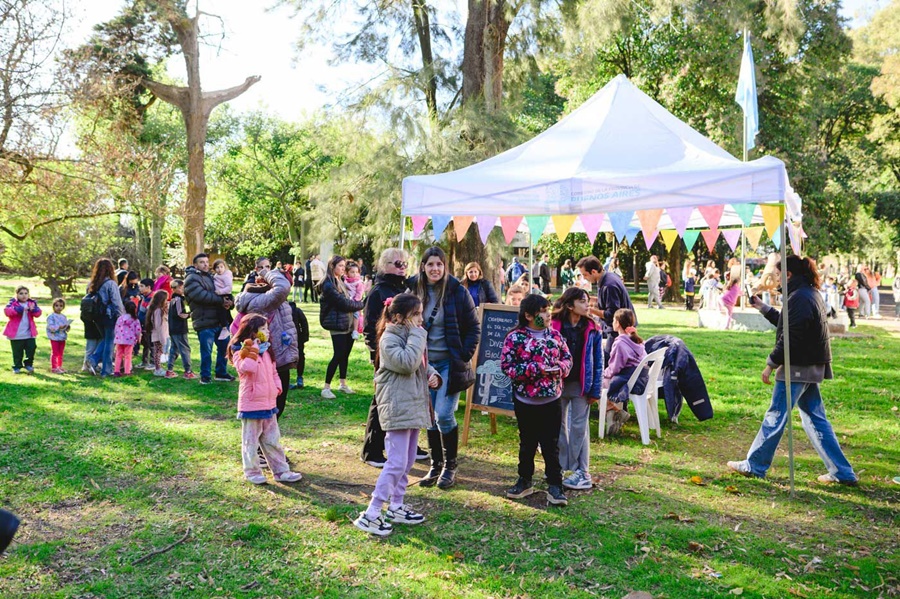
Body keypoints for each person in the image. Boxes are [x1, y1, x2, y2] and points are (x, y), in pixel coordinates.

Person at [728, 255, 858, 485]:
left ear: (789, 275)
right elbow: (787, 323)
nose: (776, 280)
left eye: (779, 275)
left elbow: (791, 336)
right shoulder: (807, 293)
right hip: (809, 364)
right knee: (815, 418)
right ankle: (842, 472)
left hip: (799, 365)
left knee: (776, 415)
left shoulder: (799, 297)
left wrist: (770, 363)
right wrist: (762, 307)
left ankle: (755, 465)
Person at [353, 293, 441, 536]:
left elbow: (420, 363)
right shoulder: (389, 339)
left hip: (411, 404)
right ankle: (371, 512)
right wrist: (418, 334)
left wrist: (432, 374)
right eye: (416, 315)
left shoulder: (409, 335)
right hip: (398, 406)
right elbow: (407, 363)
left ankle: (396, 505)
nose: (421, 320)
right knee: (396, 462)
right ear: (399, 317)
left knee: (409, 458)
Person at [411, 246, 480, 490]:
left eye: (439, 264)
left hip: (450, 363)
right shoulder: (414, 289)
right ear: (423, 266)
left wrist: (463, 355)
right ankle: (435, 463)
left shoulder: (457, 292)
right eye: (430, 264)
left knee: (443, 413)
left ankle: (451, 464)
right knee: (429, 415)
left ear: (445, 266)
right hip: (423, 364)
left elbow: (474, 328)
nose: (435, 269)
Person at [500, 293, 573, 506]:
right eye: (543, 311)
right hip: (525, 401)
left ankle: (555, 485)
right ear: (529, 315)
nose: (548, 314)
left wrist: (559, 368)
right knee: (528, 442)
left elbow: (567, 358)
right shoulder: (515, 338)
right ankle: (524, 480)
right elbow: (507, 366)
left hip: (552, 399)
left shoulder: (555, 336)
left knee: (551, 444)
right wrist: (535, 369)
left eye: (548, 309)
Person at [229, 313, 303, 485]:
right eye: (263, 329)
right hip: (252, 404)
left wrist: (277, 386)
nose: (268, 332)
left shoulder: (267, 350)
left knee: (272, 440)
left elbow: (274, 371)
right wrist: (253, 350)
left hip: (269, 403)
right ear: (252, 332)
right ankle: (252, 472)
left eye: (267, 328)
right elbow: (247, 368)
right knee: (251, 442)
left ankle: (281, 471)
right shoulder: (241, 351)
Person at [361, 249, 419, 468]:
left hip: (407, 353)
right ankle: (372, 449)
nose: (402, 267)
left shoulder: (405, 288)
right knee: (381, 401)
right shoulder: (378, 292)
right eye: (397, 263)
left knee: (407, 398)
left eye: (404, 263)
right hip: (386, 355)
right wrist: (377, 356)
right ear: (385, 265)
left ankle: (408, 443)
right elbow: (369, 328)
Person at [550, 288, 603, 491]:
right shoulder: (553, 326)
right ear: (570, 305)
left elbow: (598, 361)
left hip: (582, 385)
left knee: (580, 427)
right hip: (557, 384)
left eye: (587, 301)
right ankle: (561, 466)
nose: (587, 305)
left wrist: (595, 390)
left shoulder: (592, 328)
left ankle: (583, 471)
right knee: (557, 425)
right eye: (582, 301)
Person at [235, 266, 299, 419]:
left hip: (279, 356)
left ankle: (267, 441)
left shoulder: (270, 298)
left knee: (277, 405)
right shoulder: (261, 300)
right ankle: (259, 442)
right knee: (269, 408)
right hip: (268, 358)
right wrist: (267, 272)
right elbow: (283, 287)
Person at [318, 255, 366, 399]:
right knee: (338, 354)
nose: (343, 269)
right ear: (332, 266)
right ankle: (326, 387)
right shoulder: (328, 284)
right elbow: (343, 303)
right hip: (337, 323)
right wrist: (362, 304)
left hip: (348, 322)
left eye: (344, 266)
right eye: (340, 266)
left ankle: (343, 383)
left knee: (345, 355)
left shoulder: (340, 280)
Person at [184, 253, 235, 385]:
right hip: (204, 321)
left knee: (224, 348)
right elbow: (201, 296)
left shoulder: (213, 276)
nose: (206, 264)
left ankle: (221, 372)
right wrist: (221, 300)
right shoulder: (191, 279)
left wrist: (230, 301)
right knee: (206, 351)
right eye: (202, 262)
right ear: (195, 264)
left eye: (207, 262)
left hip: (219, 320)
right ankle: (205, 376)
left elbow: (225, 291)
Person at [577, 255, 635, 367]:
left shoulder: (609, 285)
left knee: (608, 362)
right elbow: (608, 302)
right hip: (618, 328)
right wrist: (592, 300)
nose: (584, 278)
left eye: (585, 275)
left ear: (593, 271)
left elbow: (612, 314)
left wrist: (589, 310)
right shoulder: (608, 277)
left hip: (619, 330)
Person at [602, 308, 644, 435]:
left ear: (618, 323)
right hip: (638, 379)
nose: (612, 322)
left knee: (598, 383)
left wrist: (603, 373)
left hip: (626, 379)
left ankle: (614, 412)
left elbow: (615, 368)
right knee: (607, 381)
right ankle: (613, 417)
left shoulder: (620, 342)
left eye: (614, 320)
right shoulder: (637, 341)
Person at [87, 259, 125, 377]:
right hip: (109, 316)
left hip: (96, 316)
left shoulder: (92, 284)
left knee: (105, 339)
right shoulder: (111, 284)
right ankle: (105, 369)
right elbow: (116, 302)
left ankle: (93, 360)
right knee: (110, 341)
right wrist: (122, 317)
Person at [4, 286, 41, 374]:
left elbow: (38, 313)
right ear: (16, 294)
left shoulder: (31, 303)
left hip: (29, 333)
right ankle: (17, 366)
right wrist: (20, 309)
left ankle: (28, 364)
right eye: (21, 293)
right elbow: (7, 312)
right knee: (17, 352)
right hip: (16, 334)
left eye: (26, 293)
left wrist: (34, 310)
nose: (24, 295)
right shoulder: (13, 303)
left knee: (31, 348)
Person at [165, 279, 195, 379]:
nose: (183, 289)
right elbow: (180, 314)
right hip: (179, 329)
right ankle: (188, 371)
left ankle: (169, 370)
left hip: (173, 329)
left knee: (174, 349)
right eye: (181, 287)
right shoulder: (177, 300)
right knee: (185, 349)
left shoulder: (173, 299)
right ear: (176, 288)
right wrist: (191, 314)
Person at [112, 301, 142, 376]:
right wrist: (138, 338)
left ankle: (116, 371)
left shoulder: (120, 318)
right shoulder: (135, 320)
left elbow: (116, 328)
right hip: (130, 340)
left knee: (118, 355)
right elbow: (138, 331)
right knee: (128, 356)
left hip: (119, 339)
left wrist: (116, 336)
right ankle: (127, 371)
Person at [146, 290, 169, 376]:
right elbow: (159, 326)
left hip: (159, 335)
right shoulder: (158, 311)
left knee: (158, 352)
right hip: (159, 336)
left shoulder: (156, 309)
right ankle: (158, 369)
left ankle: (158, 368)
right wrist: (163, 339)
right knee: (158, 352)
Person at [343, 261, 367, 339]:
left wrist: (355, 300)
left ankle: (355, 330)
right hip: (347, 300)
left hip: (355, 302)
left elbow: (360, 292)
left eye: (356, 272)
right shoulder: (345, 281)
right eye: (352, 272)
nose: (355, 274)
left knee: (356, 315)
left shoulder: (359, 282)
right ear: (347, 272)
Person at [46, 298, 70, 374]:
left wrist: (67, 327)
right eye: (56, 305)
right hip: (54, 337)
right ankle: (54, 367)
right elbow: (50, 327)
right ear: (53, 306)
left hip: (62, 337)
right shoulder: (51, 317)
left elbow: (65, 327)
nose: (59, 307)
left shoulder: (63, 316)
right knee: (55, 352)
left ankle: (59, 366)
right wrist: (58, 327)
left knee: (61, 353)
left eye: (61, 306)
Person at [288, 301, 308, 389]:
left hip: (286, 337)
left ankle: (287, 380)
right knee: (300, 356)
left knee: (285, 358)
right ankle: (299, 377)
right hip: (298, 337)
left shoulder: (282, 311)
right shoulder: (297, 310)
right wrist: (304, 336)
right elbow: (304, 323)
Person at [213, 259, 236, 336]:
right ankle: (232, 324)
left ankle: (224, 327)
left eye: (221, 267)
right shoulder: (216, 276)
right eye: (217, 267)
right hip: (220, 294)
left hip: (225, 294)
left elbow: (229, 287)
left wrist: (220, 292)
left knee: (222, 311)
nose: (219, 269)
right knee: (225, 312)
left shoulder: (226, 276)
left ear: (225, 267)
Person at [136, 278, 155, 370]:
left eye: (141, 286)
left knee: (151, 343)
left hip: (149, 324)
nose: (139, 288)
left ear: (148, 287)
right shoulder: (143, 297)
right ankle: (144, 361)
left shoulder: (152, 298)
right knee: (145, 343)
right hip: (142, 323)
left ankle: (153, 362)